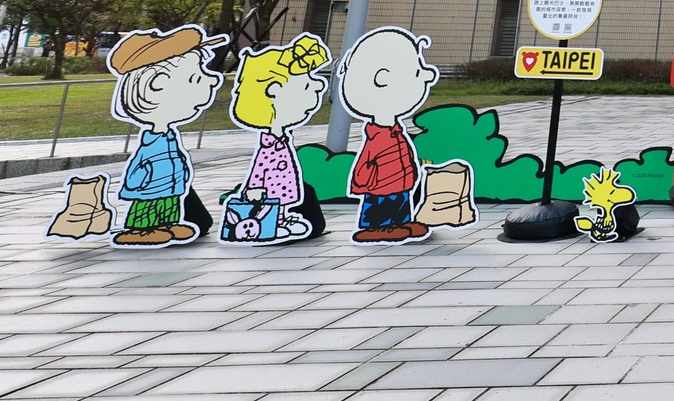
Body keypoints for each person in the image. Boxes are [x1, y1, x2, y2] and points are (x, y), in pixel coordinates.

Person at [107, 25, 226, 246]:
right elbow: (138, 169)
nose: (213, 80)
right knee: (147, 209)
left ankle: (167, 224)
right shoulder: (152, 143)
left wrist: (180, 178)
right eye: (195, 78)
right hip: (150, 191)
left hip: (171, 188)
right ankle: (141, 230)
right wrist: (136, 186)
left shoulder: (168, 138)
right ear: (157, 85)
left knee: (168, 206)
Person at [339, 26, 440, 243]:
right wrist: (364, 183)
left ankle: (400, 223)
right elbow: (365, 163)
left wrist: (413, 171)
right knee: (379, 206)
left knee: (400, 203)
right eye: (417, 72)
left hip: (401, 184)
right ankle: (374, 228)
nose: (427, 75)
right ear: (382, 79)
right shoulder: (378, 136)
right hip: (381, 187)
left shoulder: (395, 131)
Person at [226, 34, 331, 242]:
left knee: (279, 202)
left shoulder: (280, 140)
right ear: (274, 91)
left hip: (282, 186)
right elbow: (260, 166)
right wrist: (254, 188)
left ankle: (281, 219)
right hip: (269, 189)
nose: (319, 86)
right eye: (306, 85)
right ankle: (272, 224)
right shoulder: (269, 144)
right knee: (271, 203)